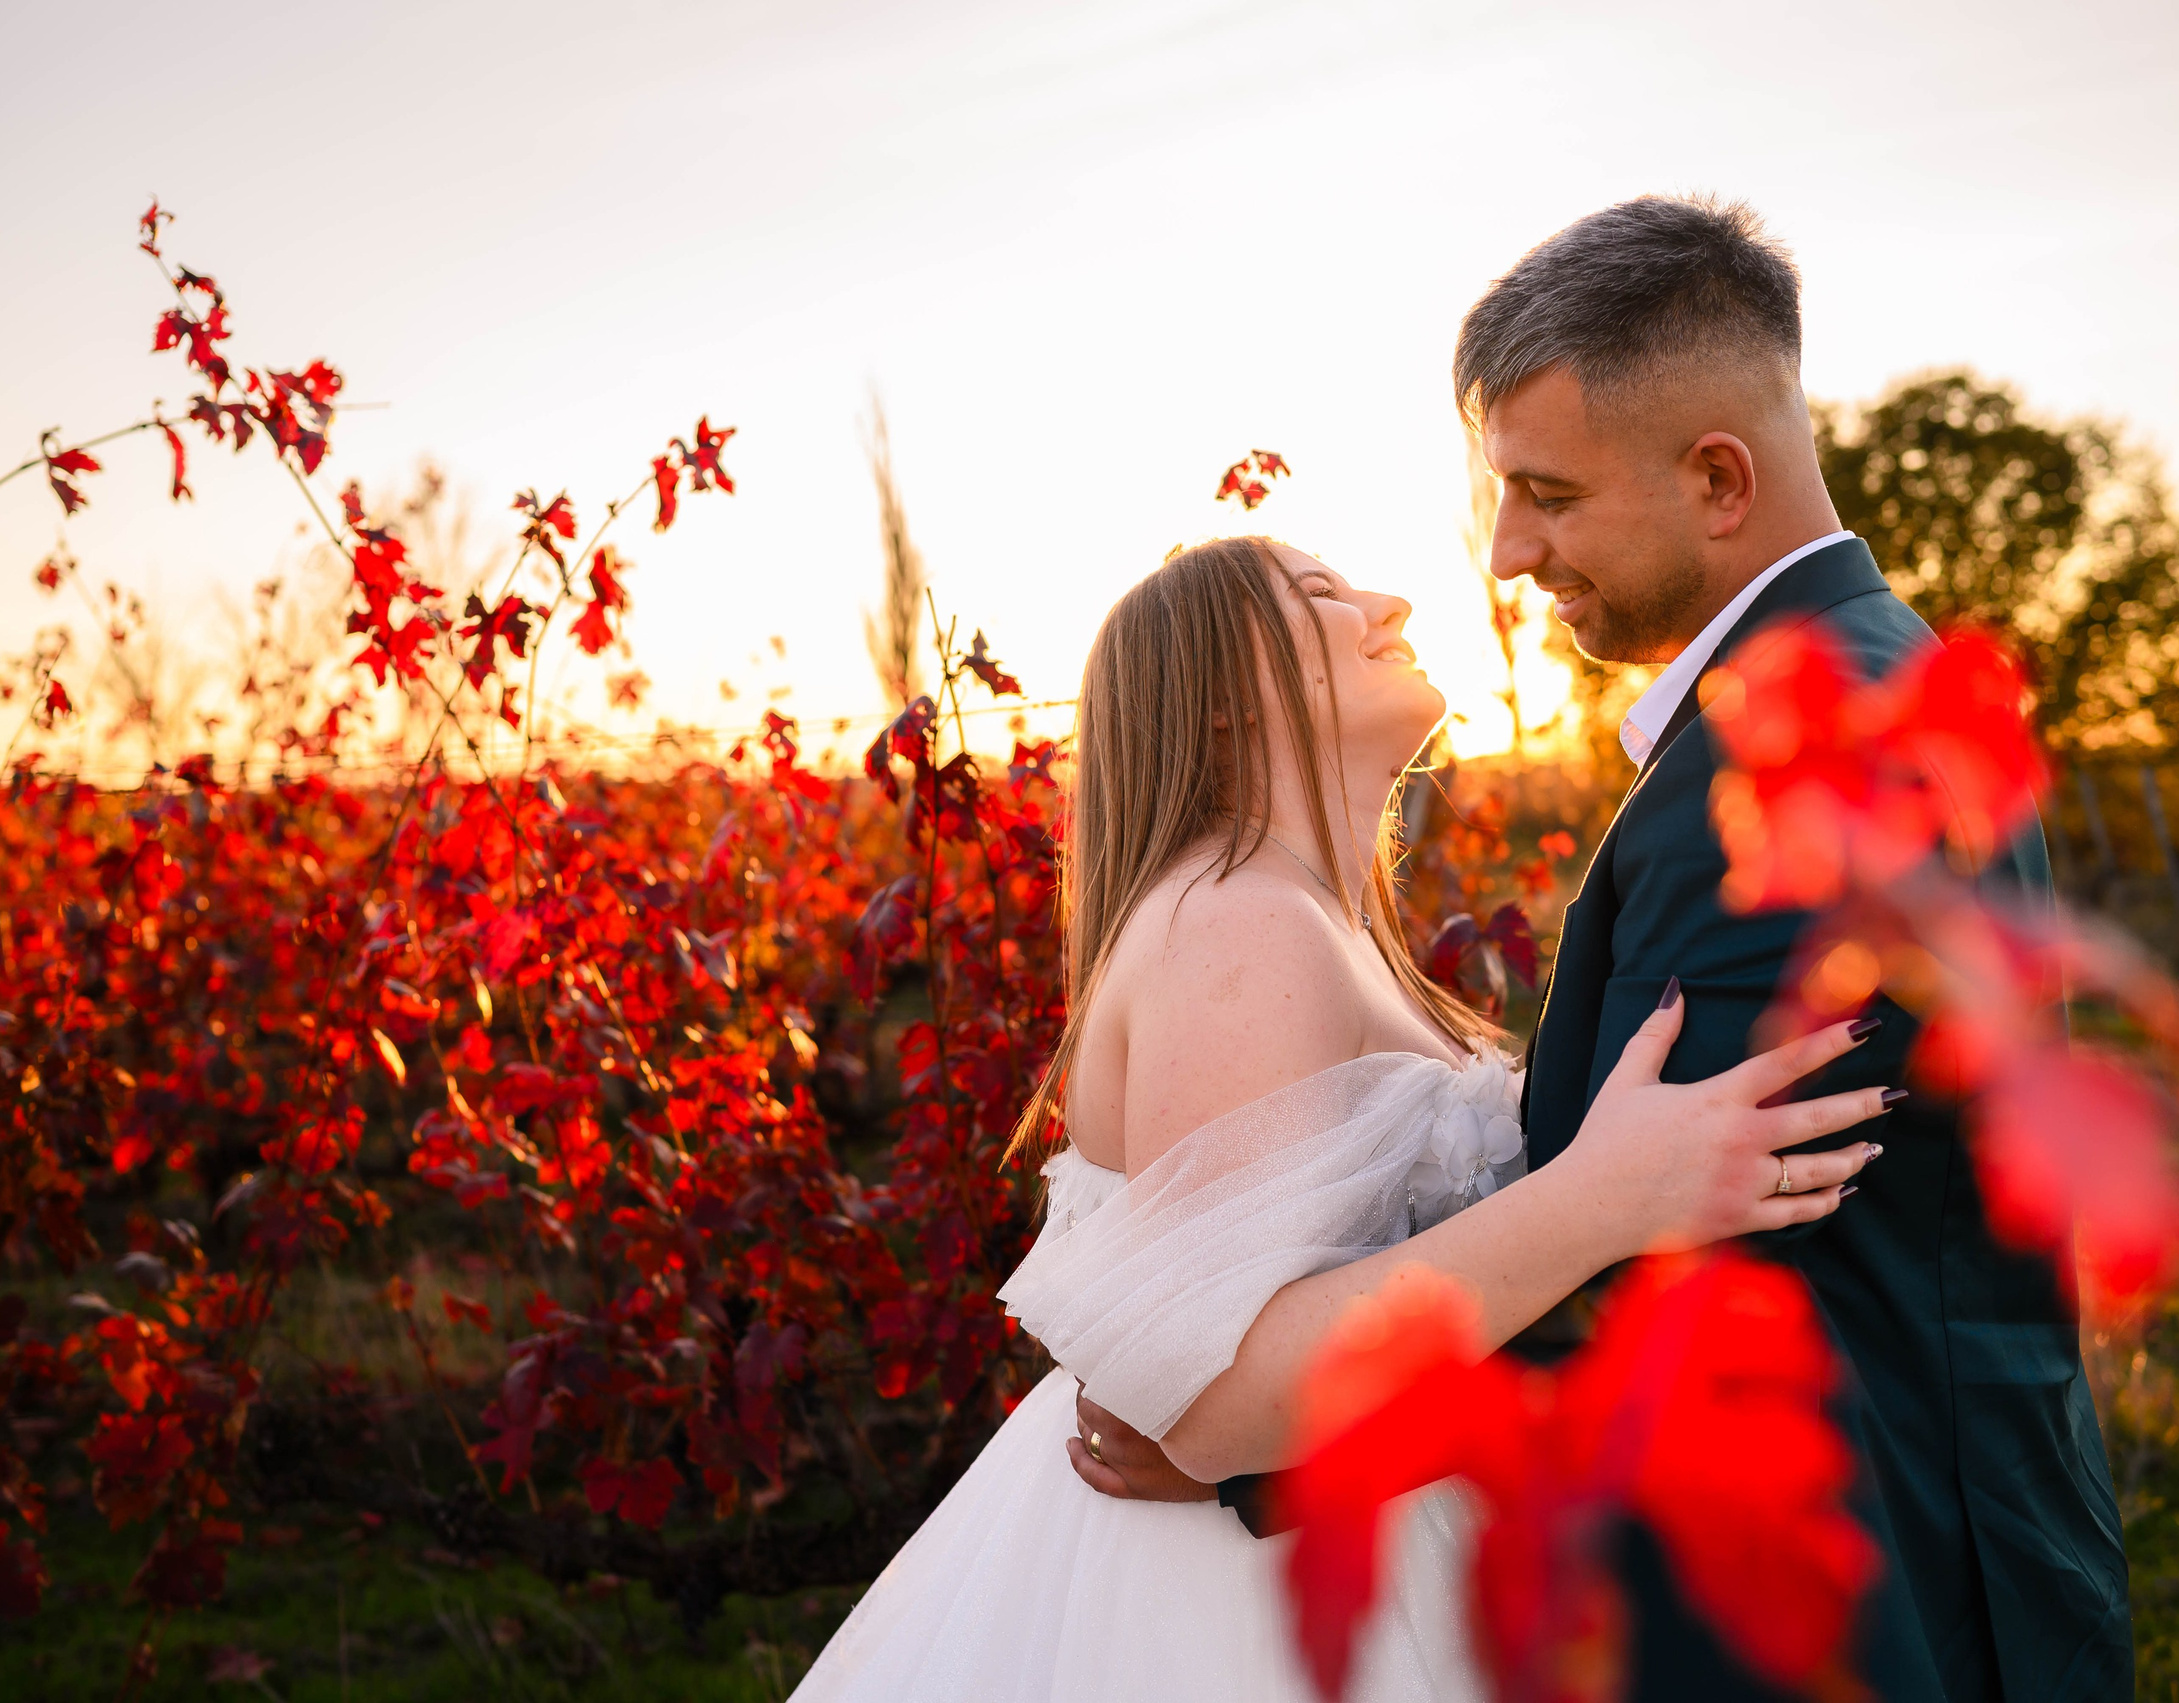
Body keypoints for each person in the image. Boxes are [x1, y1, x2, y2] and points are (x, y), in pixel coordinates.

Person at [1079, 198, 2132, 1702]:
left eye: (1548, 495)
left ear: (1717, 479)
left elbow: (1671, 1281)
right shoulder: (1864, 692)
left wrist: (1266, 1439)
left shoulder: (1781, 768)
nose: (1505, 554)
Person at [790, 532, 1892, 1702]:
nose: (1389, 601)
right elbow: (1215, 1398)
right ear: (1219, 701)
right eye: (1321, 592)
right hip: (1227, 1612)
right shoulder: (1237, 922)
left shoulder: (1304, 920)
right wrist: (1601, 1198)